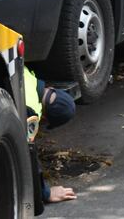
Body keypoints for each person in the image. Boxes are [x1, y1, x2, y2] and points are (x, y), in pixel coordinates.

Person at [24, 67, 78, 204]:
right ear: (46, 118)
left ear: (52, 88)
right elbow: (27, 156)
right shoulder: (31, 111)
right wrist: (46, 193)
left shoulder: (28, 75)